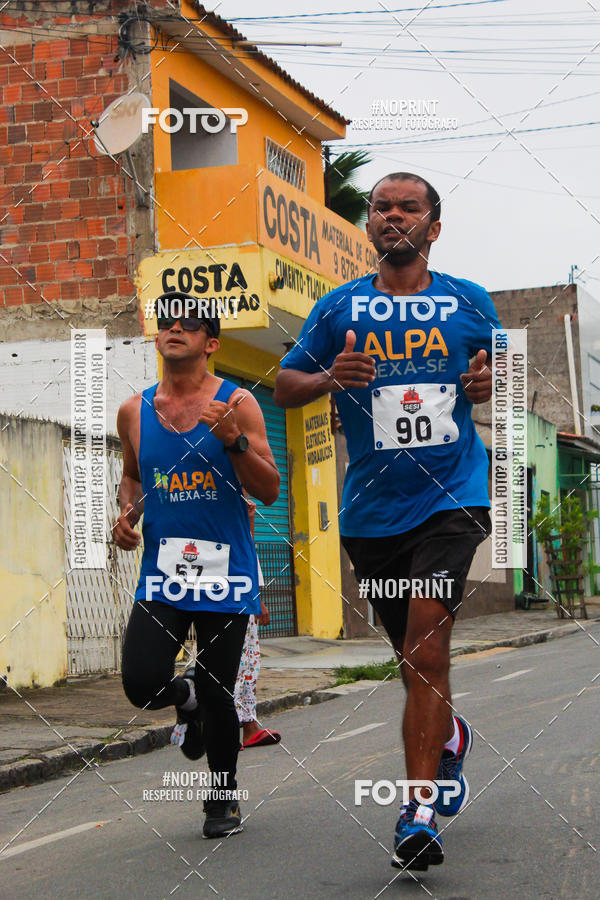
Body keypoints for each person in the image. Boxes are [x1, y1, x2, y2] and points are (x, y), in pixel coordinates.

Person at [274, 172, 500, 871]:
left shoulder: (468, 302)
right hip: (372, 511)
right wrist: (328, 378)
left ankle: (419, 808)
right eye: (381, 208)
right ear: (369, 226)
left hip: (451, 495)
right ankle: (450, 737)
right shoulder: (339, 307)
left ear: (433, 227)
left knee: (428, 646)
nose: (393, 216)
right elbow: (286, 385)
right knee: (410, 661)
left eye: (409, 208)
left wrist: (493, 381)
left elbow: (512, 370)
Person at [114, 290, 280, 839]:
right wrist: (126, 514)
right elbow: (135, 474)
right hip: (164, 572)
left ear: (211, 343)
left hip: (227, 573)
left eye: (188, 324)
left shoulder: (239, 405)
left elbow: (271, 489)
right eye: (166, 322)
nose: (174, 329)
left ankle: (222, 798)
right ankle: (180, 700)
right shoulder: (134, 411)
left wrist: (232, 441)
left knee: (219, 691)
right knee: (140, 681)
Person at [234, 500, 281, 749]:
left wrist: (256, 598)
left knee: (248, 662)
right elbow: (242, 550)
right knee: (240, 664)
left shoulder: (240, 507)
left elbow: (248, 549)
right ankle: (237, 727)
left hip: (239, 593)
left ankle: (247, 726)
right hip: (227, 595)